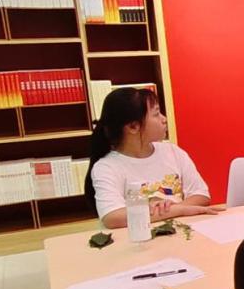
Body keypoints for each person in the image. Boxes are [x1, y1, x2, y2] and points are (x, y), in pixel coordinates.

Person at [85, 87, 219, 229]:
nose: (164, 119)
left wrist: (170, 210)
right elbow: (112, 217)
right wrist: (178, 210)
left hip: (180, 232)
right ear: (133, 127)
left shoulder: (173, 152)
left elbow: (201, 195)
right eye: (156, 114)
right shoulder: (107, 167)